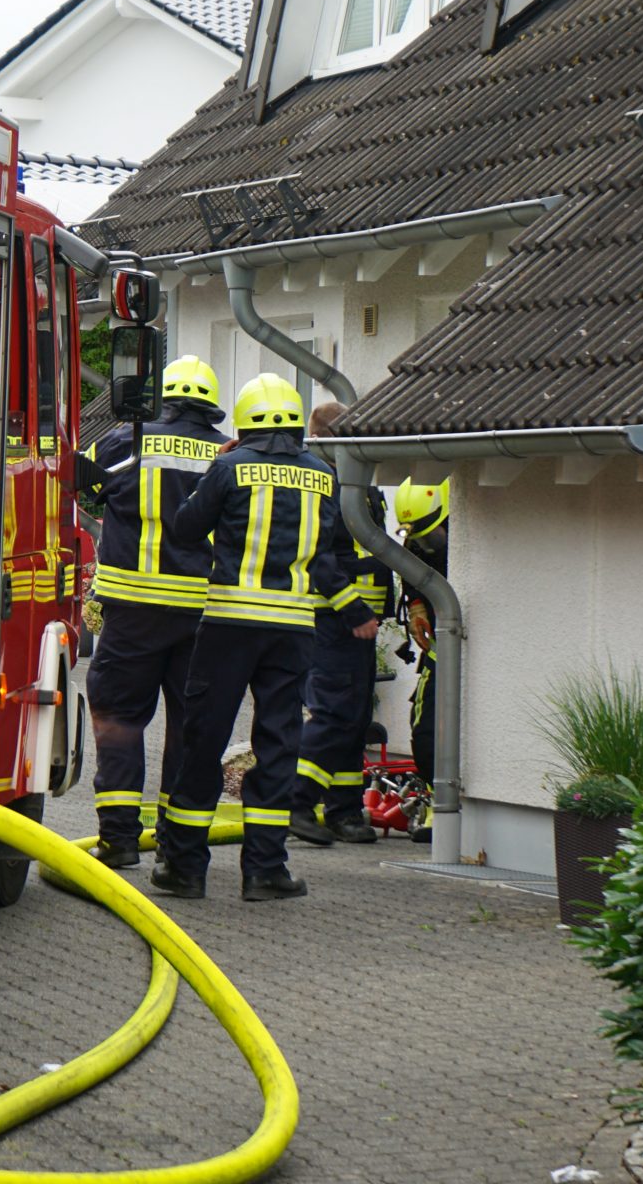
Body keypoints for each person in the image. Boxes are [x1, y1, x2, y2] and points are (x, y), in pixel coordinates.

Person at [151, 374, 378, 902]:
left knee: (204, 740)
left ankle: (184, 868)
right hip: (292, 632)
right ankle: (265, 871)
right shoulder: (322, 475)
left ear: (246, 423)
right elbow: (325, 556)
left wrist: (216, 476)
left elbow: (185, 528)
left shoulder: (229, 467)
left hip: (229, 628)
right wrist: (354, 610)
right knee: (279, 746)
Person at [73, 355, 231, 868]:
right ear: (211, 406)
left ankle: (119, 841)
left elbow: (79, 481)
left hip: (132, 612)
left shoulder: (128, 440)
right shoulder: (227, 453)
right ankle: (175, 845)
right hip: (203, 615)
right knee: (190, 727)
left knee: (119, 719)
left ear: (164, 399)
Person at [288, 400, 392, 847]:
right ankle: (295, 801)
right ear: (326, 438)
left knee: (354, 717)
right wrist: (354, 610)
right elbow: (318, 557)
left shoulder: (356, 483)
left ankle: (344, 810)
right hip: (334, 619)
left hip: (356, 621)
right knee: (332, 713)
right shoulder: (323, 484)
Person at [394, 479, 451, 836]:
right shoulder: (417, 540)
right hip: (438, 651)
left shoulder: (465, 533)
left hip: (477, 650)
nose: (426, 544)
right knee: (426, 729)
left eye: (432, 535)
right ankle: (433, 800)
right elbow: (407, 562)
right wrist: (415, 604)